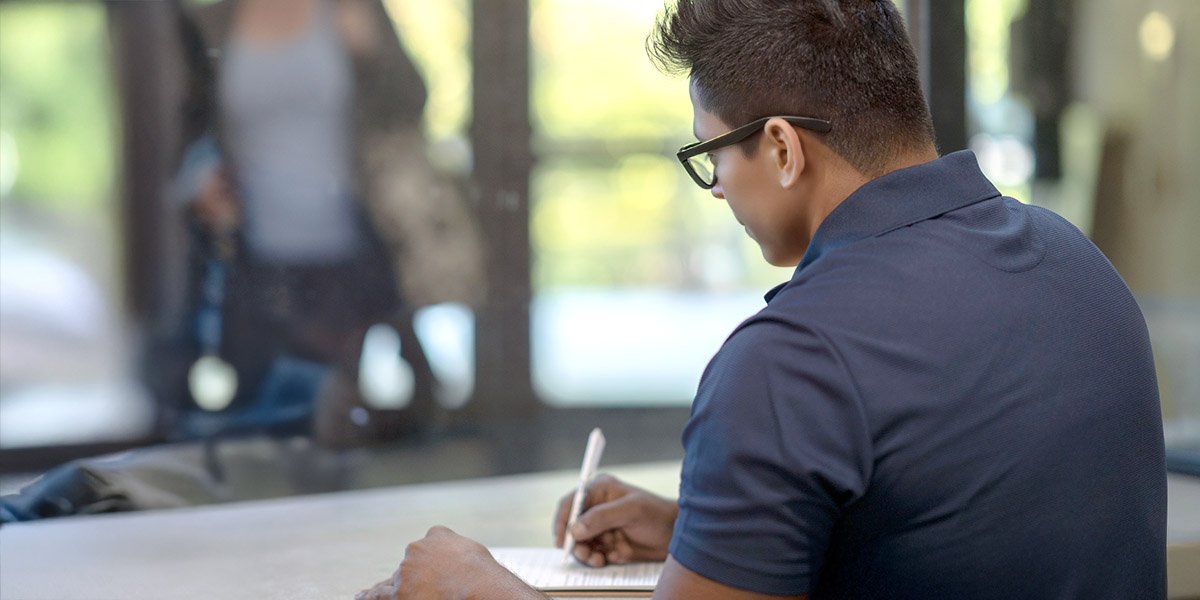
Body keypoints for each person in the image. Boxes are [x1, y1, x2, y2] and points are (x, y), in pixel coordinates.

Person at [357, 0, 1166, 598]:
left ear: (781, 147)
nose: (715, 191)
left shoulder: (792, 359)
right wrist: (711, 536)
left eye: (711, 154)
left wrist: (477, 587)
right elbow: (973, 537)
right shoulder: (1080, 265)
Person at [170, 0, 473, 444]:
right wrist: (202, 182)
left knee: (356, 417)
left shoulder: (350, 7)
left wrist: (369, 52)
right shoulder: (213, 22)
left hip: (352, 245)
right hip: (257, 255)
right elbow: (188, 132)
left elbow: (412, 101)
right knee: (268, 422)